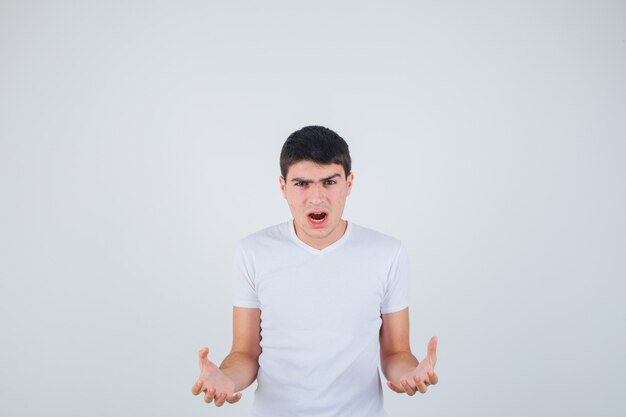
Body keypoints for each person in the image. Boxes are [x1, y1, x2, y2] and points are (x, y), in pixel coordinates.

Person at [191, 126, 438, 416]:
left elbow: (396, 352)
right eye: (302, 184)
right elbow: (245, 353)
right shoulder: (253, 251)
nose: (317, 197)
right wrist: (227, 378)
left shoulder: (387, 253)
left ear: (349, 183)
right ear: (282, 187)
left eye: (330, 182)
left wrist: (410, 373)